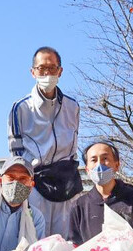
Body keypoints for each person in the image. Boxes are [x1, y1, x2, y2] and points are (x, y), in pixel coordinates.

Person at [8, 46, 81, 237]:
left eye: (52, 68)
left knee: (66, 241)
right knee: (35, 240)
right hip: (37, 183)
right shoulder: (20, 108)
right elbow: (15, 153)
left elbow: (74, 144)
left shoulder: (72, 106)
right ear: (33, 72)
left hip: (67, 181)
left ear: (60, 71)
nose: (47, 73)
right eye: (41, 68)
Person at [66, 141, 133, 245]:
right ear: (87, 169)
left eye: (105, 159)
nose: (99, 165)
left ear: (117, 165)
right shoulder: (79, 206)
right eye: (94, 160)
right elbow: (74, 245)